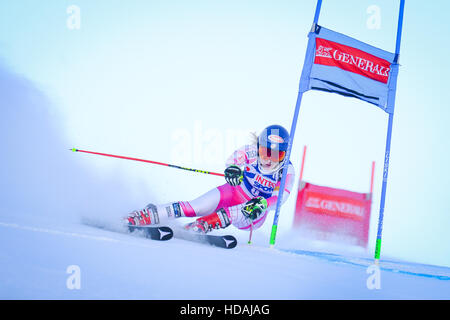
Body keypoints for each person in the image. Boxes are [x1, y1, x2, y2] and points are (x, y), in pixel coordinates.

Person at [124, 124, 295, 234]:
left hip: (252, 215)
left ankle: (205, 224)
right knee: (195, 206)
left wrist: (264, 203)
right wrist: (232, 170)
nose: (269, 159)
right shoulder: (250, 152)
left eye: (277, 154)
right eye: (265, 152)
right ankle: (148, 215)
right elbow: (232, 161)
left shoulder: (286, 171)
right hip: (234, 192)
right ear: (258, 147)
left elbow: (282, 198)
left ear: (284, 154)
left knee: (251, 205)